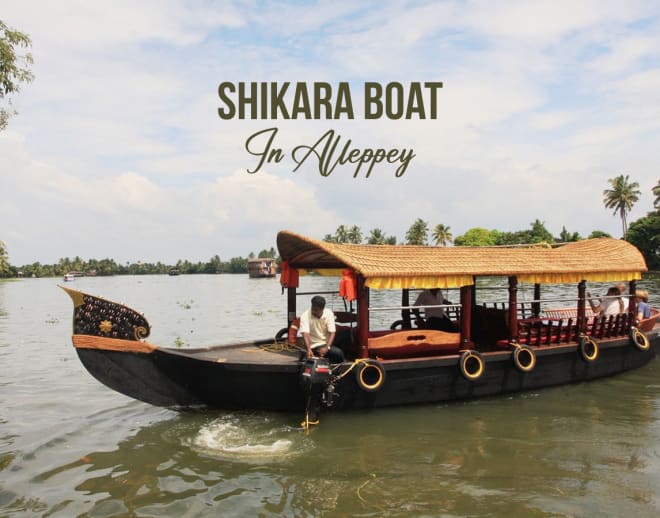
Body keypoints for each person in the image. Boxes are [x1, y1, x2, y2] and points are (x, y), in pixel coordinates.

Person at [300, 295, 345, 363]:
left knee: (346, 334)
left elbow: (332, 333)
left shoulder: (329, 313)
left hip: (326, 343)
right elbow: (305, 334)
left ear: (322, 309)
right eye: (313, 309)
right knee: (338, 353)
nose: (314, 312)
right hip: (315, 345)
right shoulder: (305, 315)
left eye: (316, 310)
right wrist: (309, 349)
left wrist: (327, 348)